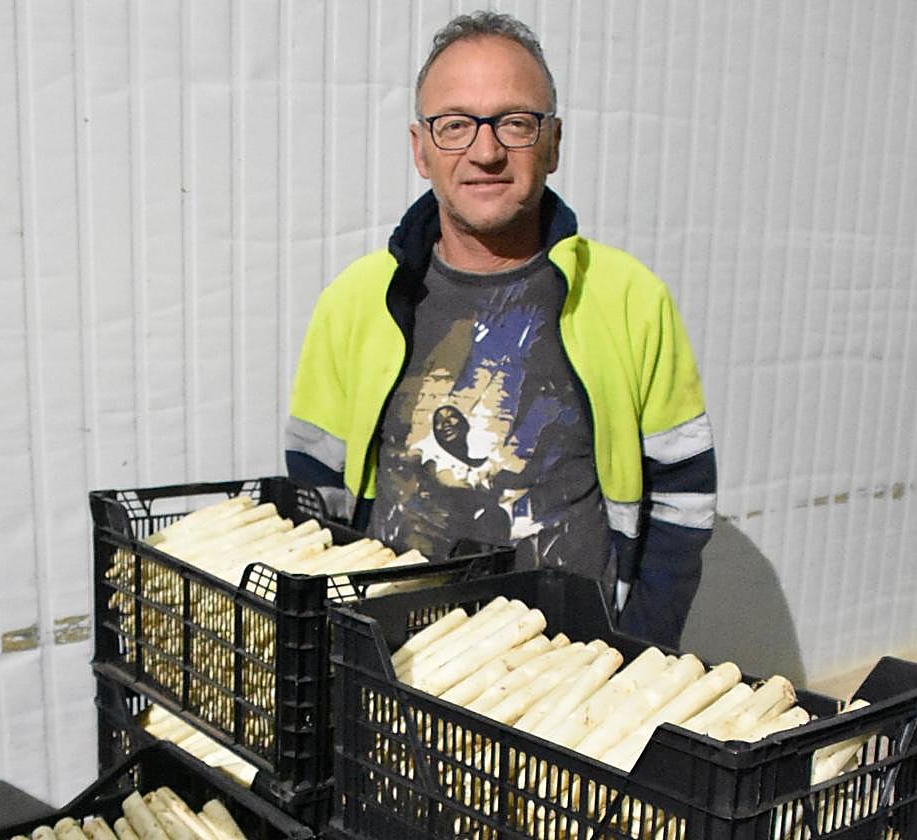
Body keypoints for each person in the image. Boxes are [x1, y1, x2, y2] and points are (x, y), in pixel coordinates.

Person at [284, 11, 715, 647]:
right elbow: (311, 494)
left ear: (553, 142)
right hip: (395, 664)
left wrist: (638, 651)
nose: (485, 152)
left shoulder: (630, 299)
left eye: (515, 122)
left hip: (567, 675)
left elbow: (684, 501)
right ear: (420, 149)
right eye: (454, 125)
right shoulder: (355, 301)